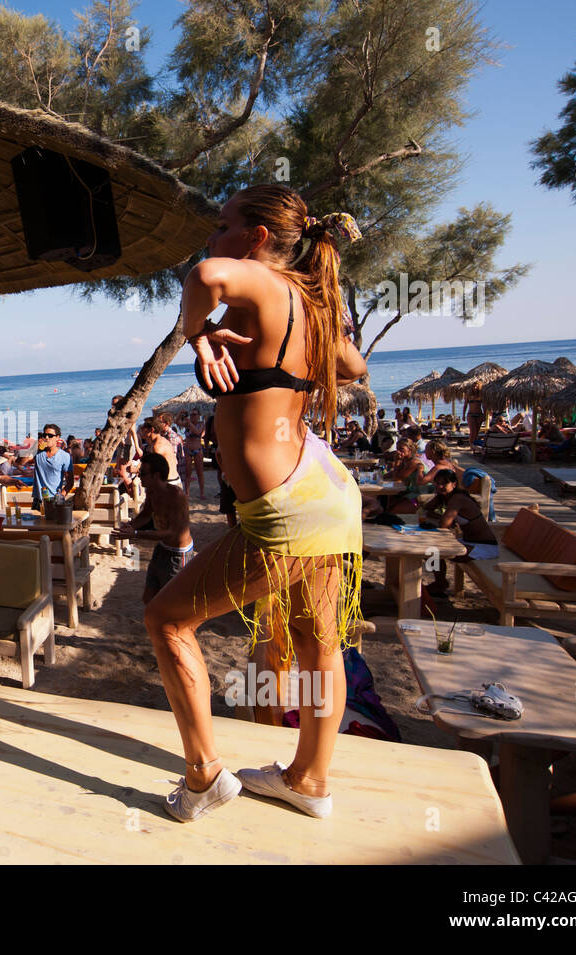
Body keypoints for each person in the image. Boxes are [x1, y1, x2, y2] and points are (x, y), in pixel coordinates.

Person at [153, 185, 367, 822]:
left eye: (223, 225)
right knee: (316, 642)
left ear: (257, 238)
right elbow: (353, 365)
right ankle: (308, 779)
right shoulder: (309, 302)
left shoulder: (251, 278)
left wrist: (198, 336)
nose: (212, 237)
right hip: (327, 490)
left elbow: (206, 273)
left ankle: (203, 778)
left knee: (168, 621)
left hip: (286, 506)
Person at [115, 453, 193, 604]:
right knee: (149, 598)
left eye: (142, 473)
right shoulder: (151, 490)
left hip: (178, 555)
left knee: (173, 602)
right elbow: (146, 514)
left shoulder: (176, 496)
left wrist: (136, 533)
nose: (139, 477)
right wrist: (131, 525)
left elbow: (172, 532)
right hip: (162, 549)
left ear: (156, 475)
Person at [422, 469, 497, 596]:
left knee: (432, 551)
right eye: (437, 483)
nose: (440, 487)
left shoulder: (458, 499)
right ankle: (440, 582)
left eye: (444, 484)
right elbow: (426, 509)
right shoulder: (447, 497)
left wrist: (437, 515)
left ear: (454, 484)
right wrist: (438, 496)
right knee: (430, 550)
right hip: (469, 542)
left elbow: (443, 526)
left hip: (483, 547)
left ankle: (440, 583)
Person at [31, 423, 72, 508]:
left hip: (54, 499)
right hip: (38, 500)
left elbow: (70, 482)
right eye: (44, 435)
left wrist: (61, 497)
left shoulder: (65, 456)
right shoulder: (38, 452)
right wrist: (34, 448)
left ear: (57, 437)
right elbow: (20, 462)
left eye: (50, 435)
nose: (46, 438)